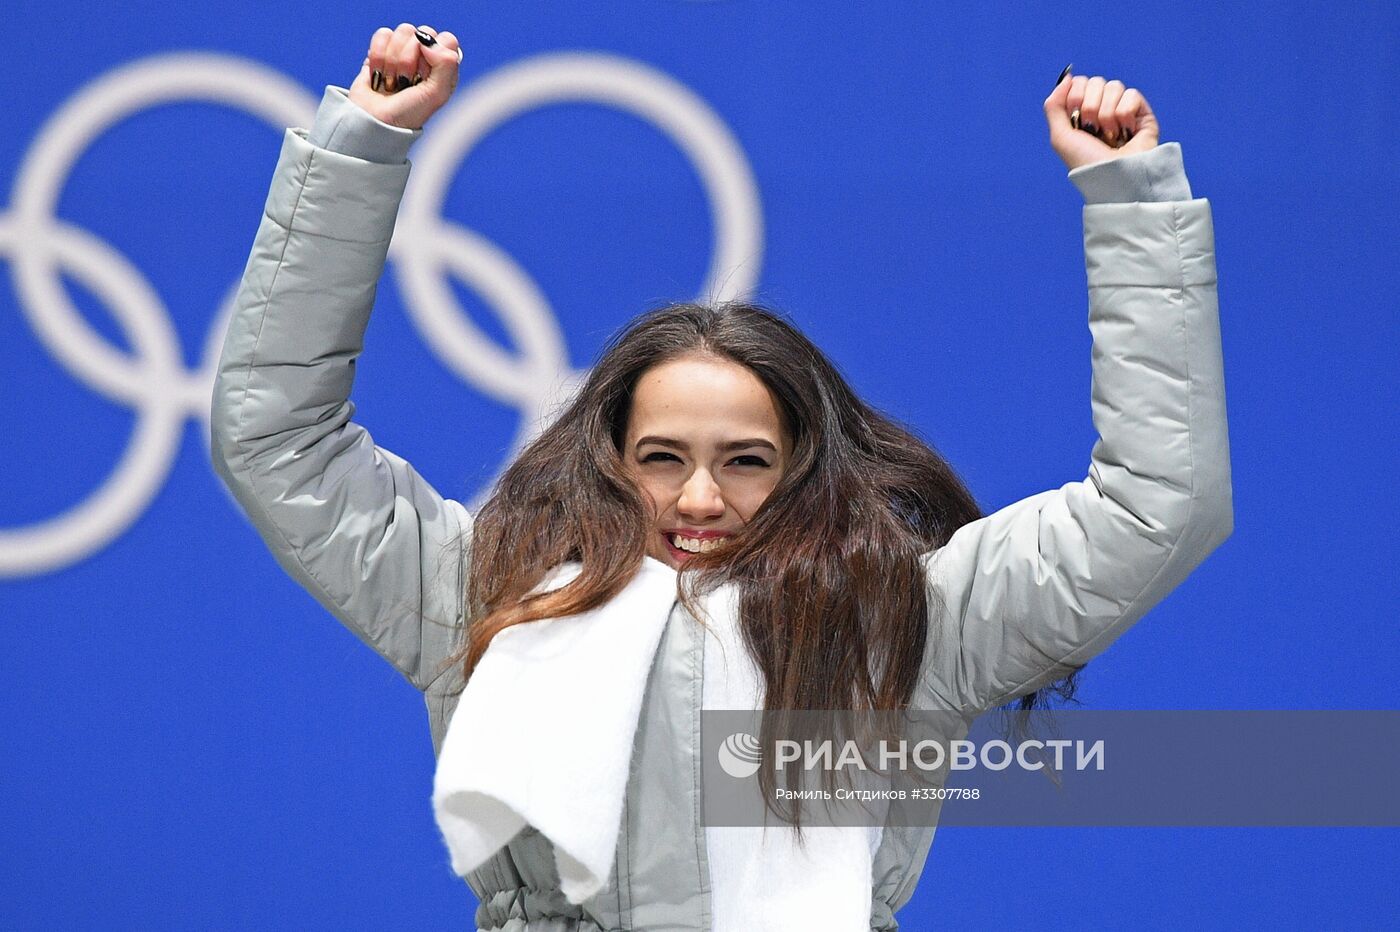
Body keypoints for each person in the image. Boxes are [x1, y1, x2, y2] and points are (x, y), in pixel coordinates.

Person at [209, 21, 1232, 932]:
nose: (700, 499)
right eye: (662, 458)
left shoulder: (913, 612)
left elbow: (1156, 504)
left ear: (803, 465)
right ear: (606, 453)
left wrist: (1128, 200)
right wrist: (361, 148)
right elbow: (276, 435)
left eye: (746, 461)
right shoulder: (482, 590)